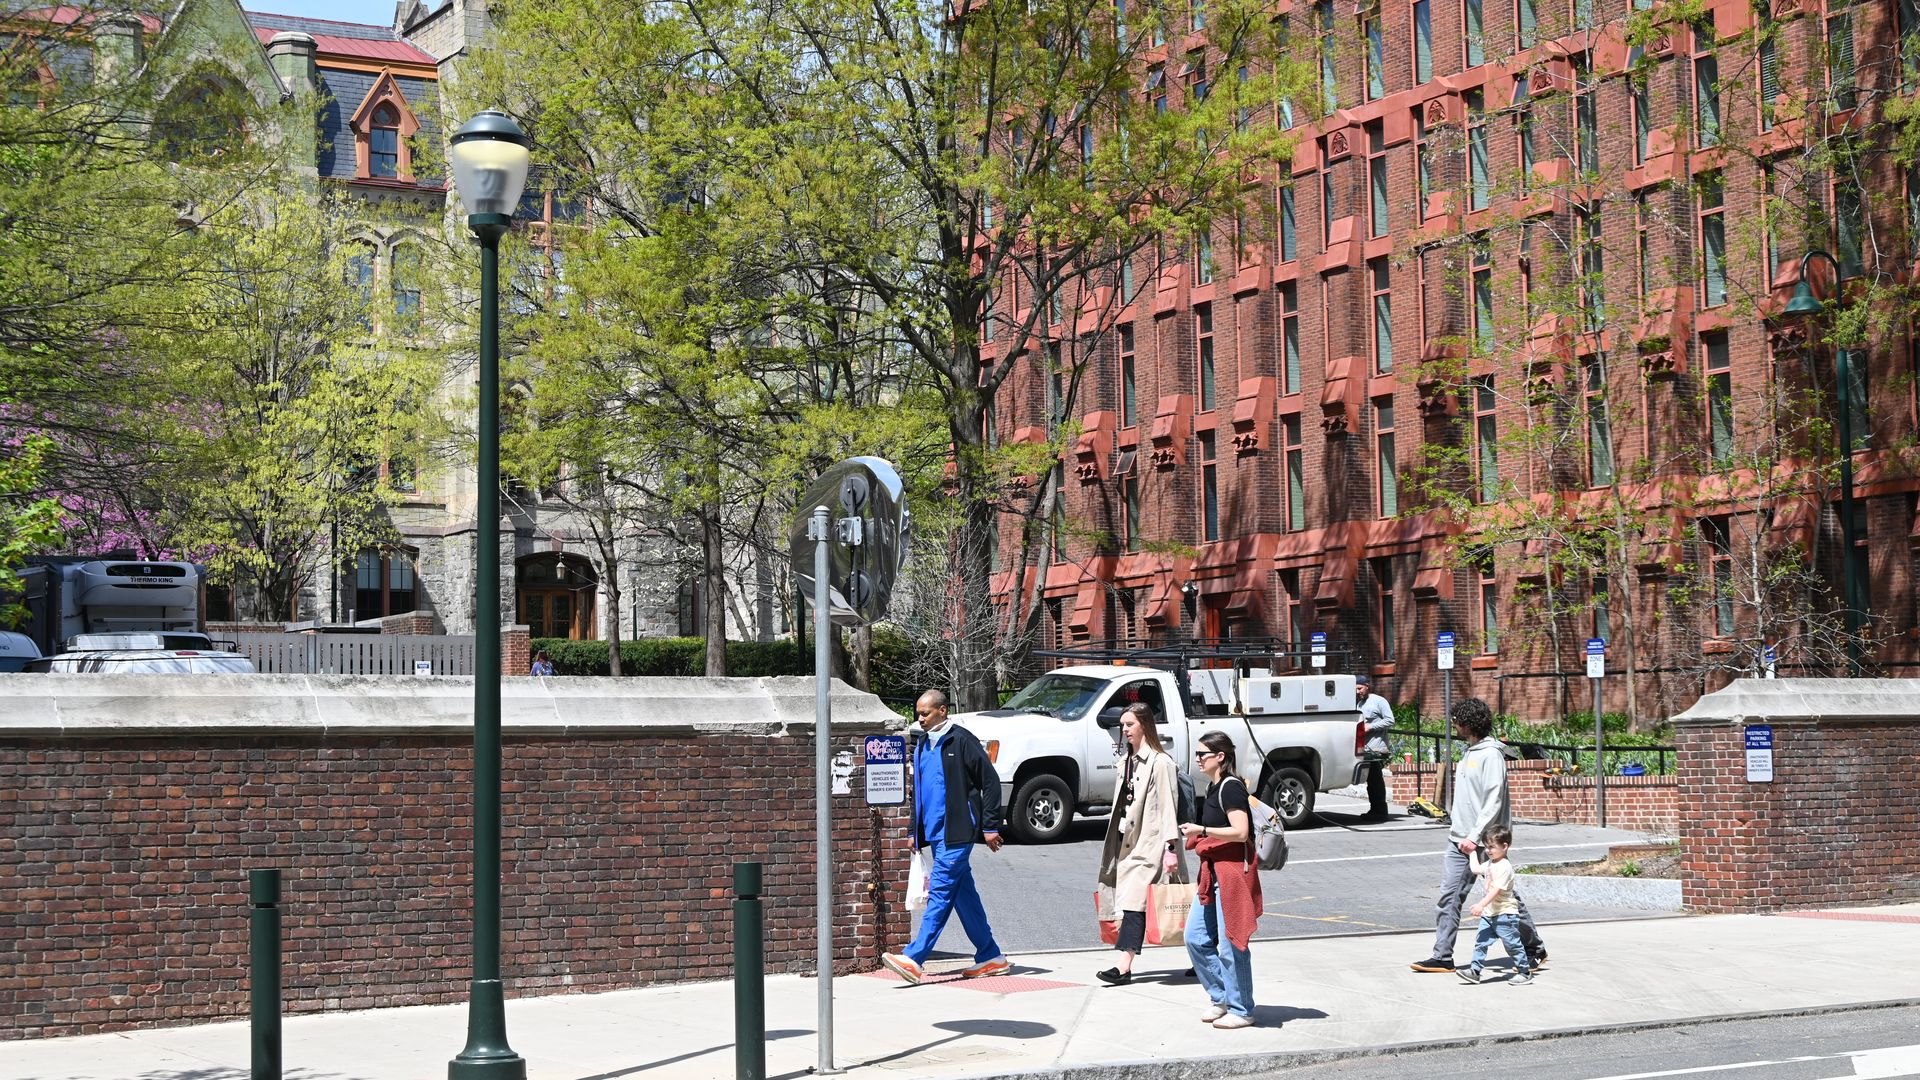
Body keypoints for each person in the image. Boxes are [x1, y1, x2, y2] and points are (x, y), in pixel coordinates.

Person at [882, 690, 1012, 985]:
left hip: (958, 831)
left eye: (925, 713)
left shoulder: (962, 740)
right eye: (918, 713)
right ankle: (991, 956)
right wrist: (913, 832)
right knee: (964, 895)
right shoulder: (921, 745)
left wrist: (990, 827)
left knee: (940, 892)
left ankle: (914, 958)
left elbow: (990, 783)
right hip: (935, 833)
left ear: (942, 711)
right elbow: (919, 791)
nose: (920, 718)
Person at [1410, 698, 1548, 973]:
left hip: (1484, 840)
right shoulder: (1470, 752)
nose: (1454, 725)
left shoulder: (1491, 755)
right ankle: (1442, 956)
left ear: (1468, 723)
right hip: (1459, 838)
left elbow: (1493, 801)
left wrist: (1474, 837)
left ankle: (1534, 948)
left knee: (1504, 898)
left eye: (1456, 721)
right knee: (1448, 897)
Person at [1094, 703, 1187, 986]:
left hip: (1152, 844)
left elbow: (1169, 806)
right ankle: (1206, 952)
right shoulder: (1126, 761)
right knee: (1161, 905)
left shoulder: (1161, 763)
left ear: (1144, 725)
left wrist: (1171, 848)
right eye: (1123, 725)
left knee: (1135, 903)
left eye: (1129, 724)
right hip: (1126, 843)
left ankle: (1124, 965)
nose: (1124, 730)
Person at [1178, 731, 1262, 1029]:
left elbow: (1241, 832)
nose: (1198, 759)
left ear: (1220, 757)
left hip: (1231, 875)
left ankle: (1242, 1008)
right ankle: (1222, 997)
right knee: (1195, 938)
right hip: (1212, 873)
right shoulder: (1214, 787)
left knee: (1232, 944)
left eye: (1203, 754)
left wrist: (1202, 829)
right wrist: (1200, 833)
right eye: (1198, 754)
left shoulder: (1230, 788)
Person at [1455, 824, 1534, 985]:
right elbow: (1476, 869)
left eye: (1492, 847)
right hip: (1490, 914)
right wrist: (1471, 853)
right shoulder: (1491, 863)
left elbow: (1496, 890)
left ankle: (1524, 972)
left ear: (1505, 846)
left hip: (1505, 913)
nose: (1488, 851)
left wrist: (1480, 905)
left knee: (1512, 944)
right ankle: (1475, 971)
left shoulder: (1505, 867)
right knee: (1481, 942)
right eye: (1486, 847)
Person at [1355, 674, 1394, 820]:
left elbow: (1390, 720)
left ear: (1367, 686)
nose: (1358, 692)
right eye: (1356, 689)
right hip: (1366, 749)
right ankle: (1376, 810)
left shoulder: (1379, 701)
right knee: (1371, 780)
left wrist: (1370, 726)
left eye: (1360, 688)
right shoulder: (1359, 704)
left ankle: (1380, 811)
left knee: (1375, 780)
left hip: (1377, 748)